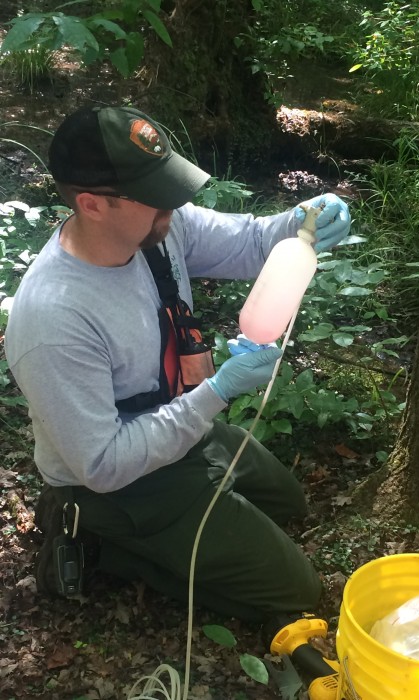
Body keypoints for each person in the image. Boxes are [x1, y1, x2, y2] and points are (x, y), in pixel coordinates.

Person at [5, 105, 351, 622]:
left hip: (179, 427)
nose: (175, 206)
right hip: (119, 481)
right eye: (155, 195)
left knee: (287, 505)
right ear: (92, 205)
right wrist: (216, 393)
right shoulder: (53, 320)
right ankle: (107, 542)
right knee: (294, 591)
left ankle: (184, 521)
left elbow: (253, 242)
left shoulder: (157, 228)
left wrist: (301, 224)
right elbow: (103, 464)